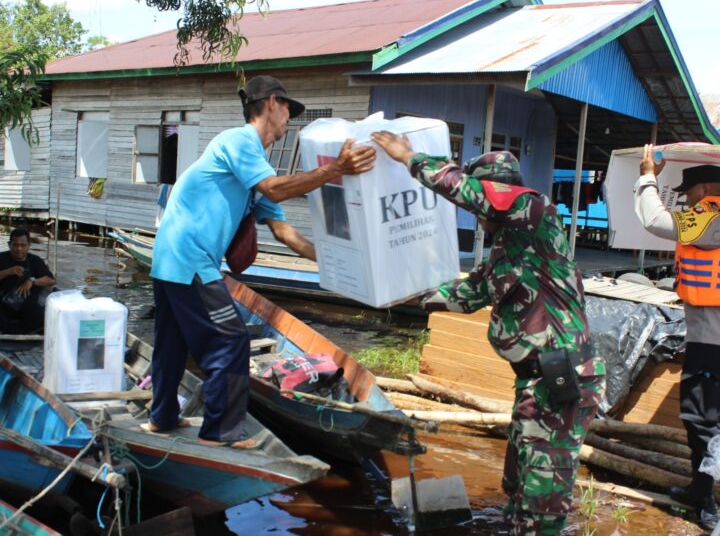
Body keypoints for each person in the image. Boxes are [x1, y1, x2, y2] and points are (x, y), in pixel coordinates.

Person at [371, 131, 606, 535]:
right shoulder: (508, 253)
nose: (476, 216)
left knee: (543, 497)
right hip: (537, 380)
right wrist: (402, 295)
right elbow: (467, 291)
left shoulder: (534, 212)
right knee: (519, 484)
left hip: (562, 374)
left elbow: (468, 191)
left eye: (481, 203)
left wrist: (409, 158)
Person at [147, 75, 375, 448]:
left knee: (172, 342)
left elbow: (285, 233)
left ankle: (162, 418)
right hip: (190, 258)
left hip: (170, 258)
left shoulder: (257, 169)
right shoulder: (239, 141)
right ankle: (218, 434)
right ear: (271, 103)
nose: (290, 119)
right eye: (288, 109)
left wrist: (337, 263)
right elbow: (273, 187)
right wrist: (335, 169)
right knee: (231, 340)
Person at [634, 144, 720, 530]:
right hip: (707, 338)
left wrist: (647, 175)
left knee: (703, 420)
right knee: (700, 419)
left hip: (713, 345)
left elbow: (654, 219)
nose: (684, 202)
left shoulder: (710, 218)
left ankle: (711, 506)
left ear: (704, 190)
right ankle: (701, 491)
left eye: (687, 194)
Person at [0, 227, 56, 334]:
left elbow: (51, 280)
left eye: (23, 245)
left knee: (40, 313)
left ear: (29, 245)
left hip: (28, 305)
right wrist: (8, 271)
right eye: (16, 245)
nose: (19, 249)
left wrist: (32, 281)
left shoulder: (35, 261)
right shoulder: (1, 258)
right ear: (9, 244)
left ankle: (19, 331)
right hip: (4, 304)